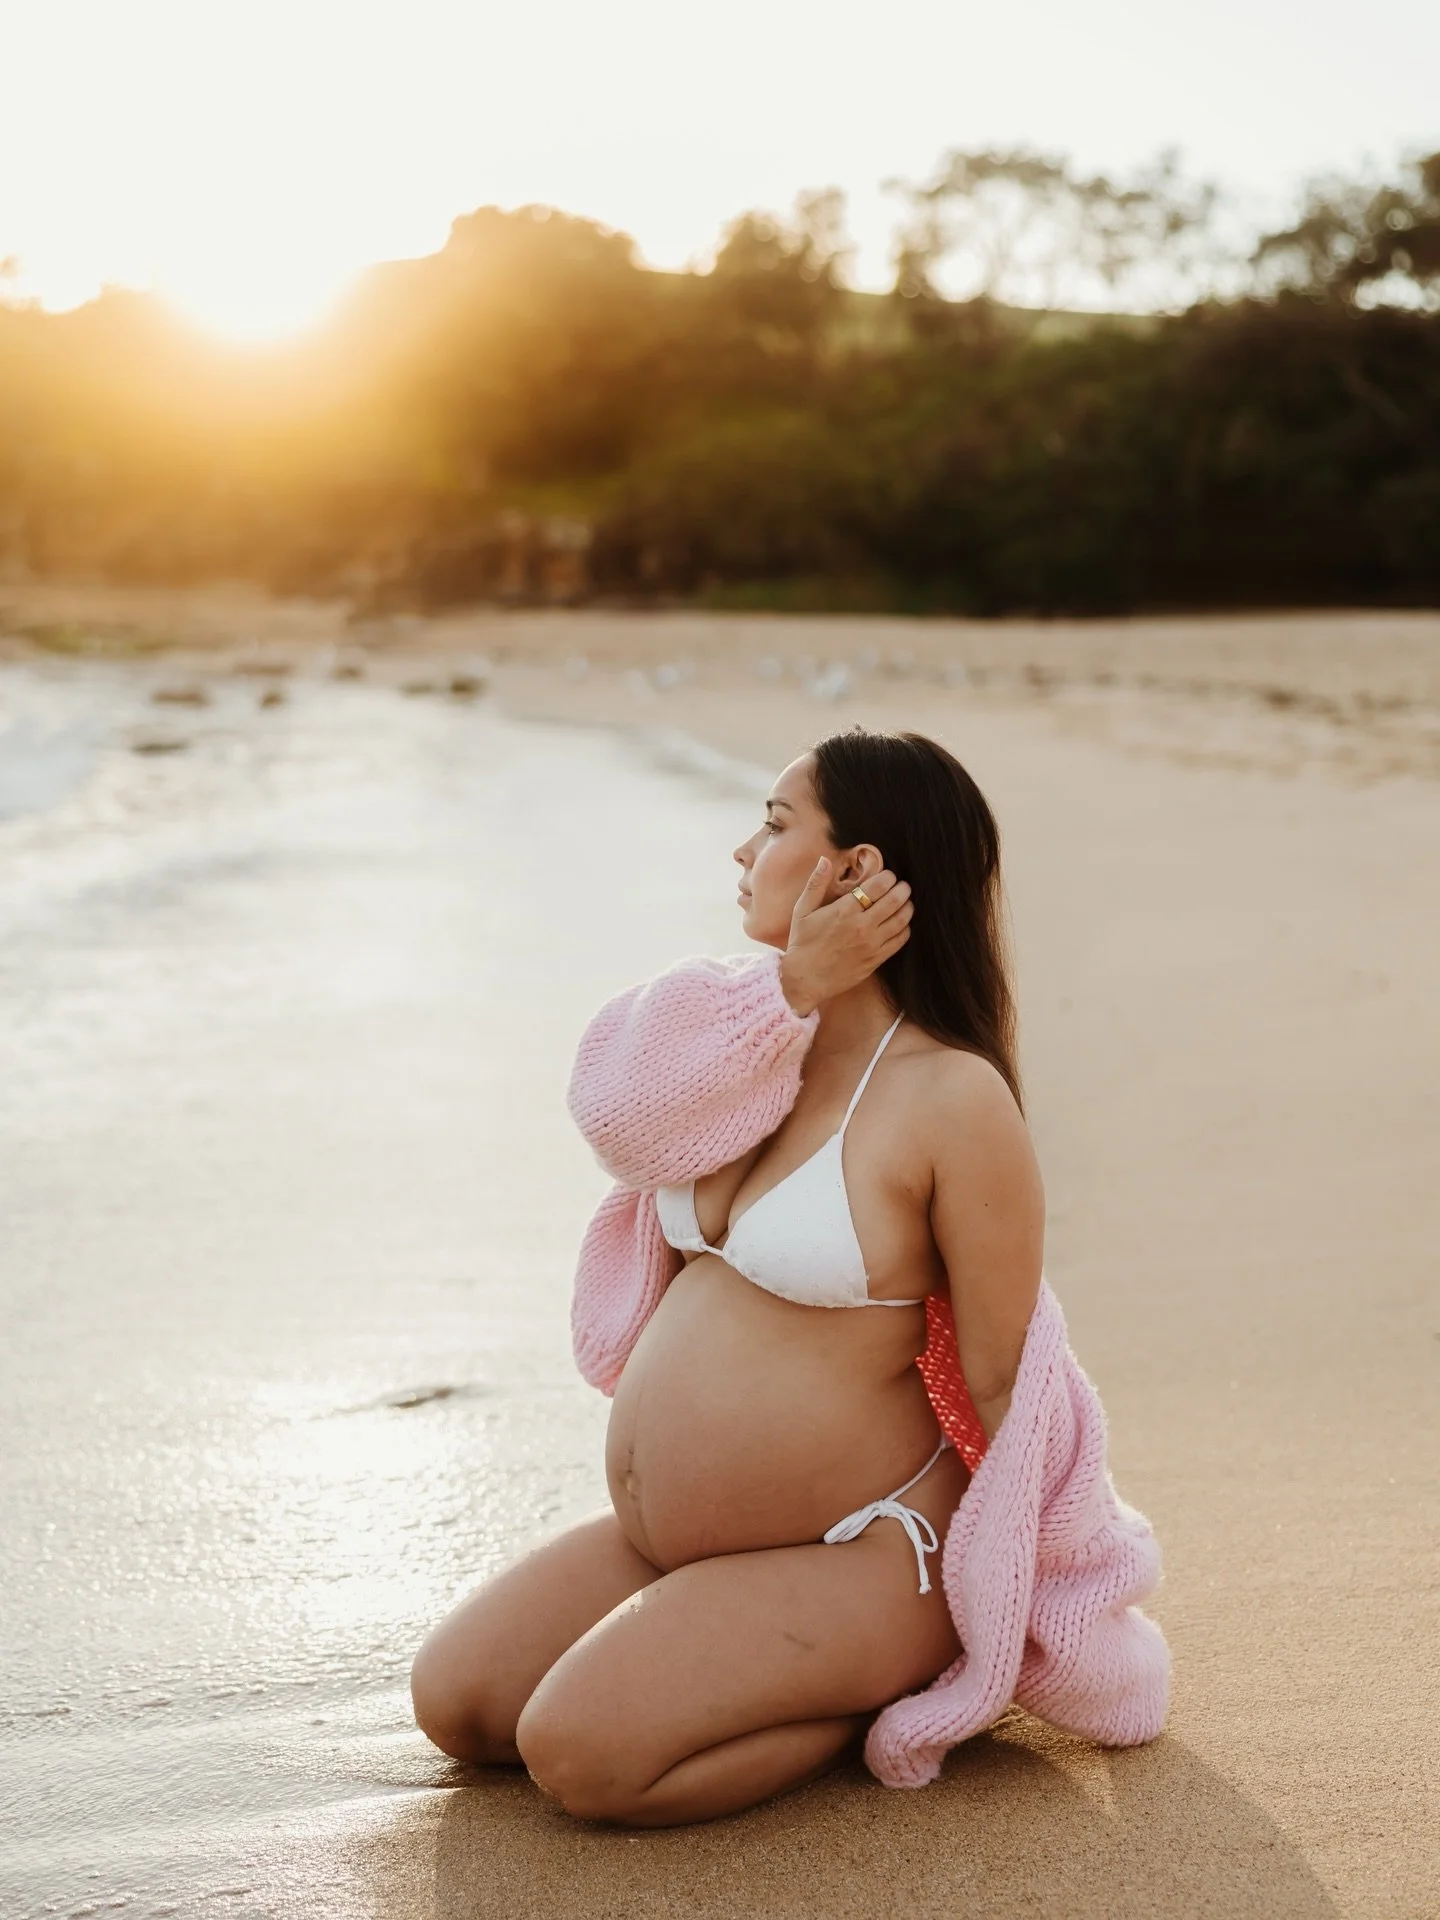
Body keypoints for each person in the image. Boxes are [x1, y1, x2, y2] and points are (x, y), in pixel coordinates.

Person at [410, 727, 1168, 1828]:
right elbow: (615, 1117)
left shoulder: (951, 1099)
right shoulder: (739, 1043)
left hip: (862, 1553)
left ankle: (882, 1687)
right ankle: (745, 1662)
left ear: (854, 868)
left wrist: (1041, 1599)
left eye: (772, 825)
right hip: (675, 1544)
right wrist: (795, 988)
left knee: (581, 1758)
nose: (741, 852)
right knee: (461, 1706)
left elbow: (1008, 1380)